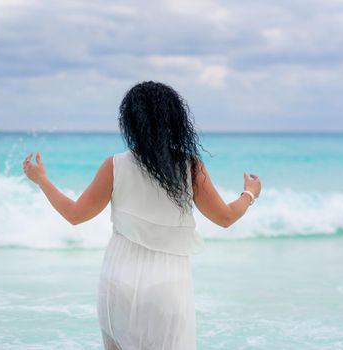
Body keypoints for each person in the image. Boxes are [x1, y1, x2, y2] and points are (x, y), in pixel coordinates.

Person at [23, 81, 262, 349]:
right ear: (175, 122)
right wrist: (249, 194)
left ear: (131, 122)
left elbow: (75, 215)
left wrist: (42, 180)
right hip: (167, 288)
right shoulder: (190, 167)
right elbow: (226, 218)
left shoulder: (115, 165)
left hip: (116, 283)